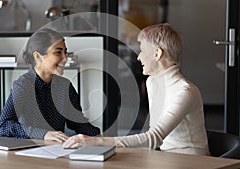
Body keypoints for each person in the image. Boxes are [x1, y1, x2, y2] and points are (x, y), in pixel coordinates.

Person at [63, 23, 210, 155]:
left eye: (142, 51)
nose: (139, 57)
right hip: (164, 155)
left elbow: (153, 138)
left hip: (191, 160)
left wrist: (96, 142)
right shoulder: (152, 82)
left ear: (157, 54)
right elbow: (152, 138)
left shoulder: (185, 92)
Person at [0, 28, 100, 143]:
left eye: (65, 52)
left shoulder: (65, 86)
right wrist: (44, 134)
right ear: (38, 57)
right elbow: (4, 125)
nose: (65, 58)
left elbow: (79, 123)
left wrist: (103, 139)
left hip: (57, 151)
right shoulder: (22, 85)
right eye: (58, 52)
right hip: (27, 150)